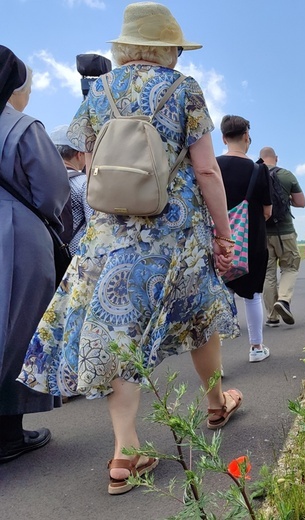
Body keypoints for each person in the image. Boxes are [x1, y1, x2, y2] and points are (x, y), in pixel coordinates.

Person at [17, 2, 243, 495]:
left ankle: (125, 452)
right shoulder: (183, 89)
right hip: (175, 233)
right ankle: (215, 402)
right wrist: (224, 234)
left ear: (126, 46)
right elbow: (207, 169)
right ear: (167, 48)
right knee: (201, 315)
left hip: (112, 236)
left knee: (121, 331)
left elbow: (91, 161)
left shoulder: (99, 90)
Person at [0, 46, 70, 464]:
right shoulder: (22, 128)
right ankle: (8, 434)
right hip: (15, 235)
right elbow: (52, 191)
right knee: (17, 328)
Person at [217, 116, 272, 363]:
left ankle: (215, 361)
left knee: (219, 296)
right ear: (247, 136)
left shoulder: (212, 166)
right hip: (251, 241)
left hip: (218, 240)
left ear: (223, 138)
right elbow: (267, 212)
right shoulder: (259, 170)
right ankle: (256, 347)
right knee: (252, 295)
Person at [259, 146, 305, 326]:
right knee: (290, 267)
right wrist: (287, 199)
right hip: (285, 230)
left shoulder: (255, 174)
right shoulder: (287, 175)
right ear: (276, 158)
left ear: (261, 158)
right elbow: (301, 203)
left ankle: (272, 317)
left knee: (268, 274)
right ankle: (284, 300)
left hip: (263, 234)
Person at [49, 124, 94, 255]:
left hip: (44, 255)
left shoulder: (39, 182)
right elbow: (94, 224)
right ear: (80, 154)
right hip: (72, 257)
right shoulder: (84, 183)